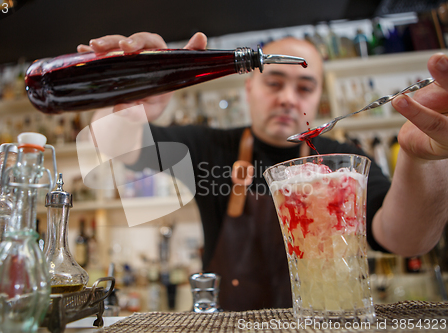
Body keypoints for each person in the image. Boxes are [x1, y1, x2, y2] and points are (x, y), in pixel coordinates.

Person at [79, 32, 448, 310]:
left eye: (304, 86)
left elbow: (405, 239)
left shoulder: (341, 162)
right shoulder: (208, 148)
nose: (288, 97)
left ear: (317, 98)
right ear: (250, 86)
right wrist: (131, 94)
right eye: (274, 82)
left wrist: (423, 158)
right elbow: (110, 142)